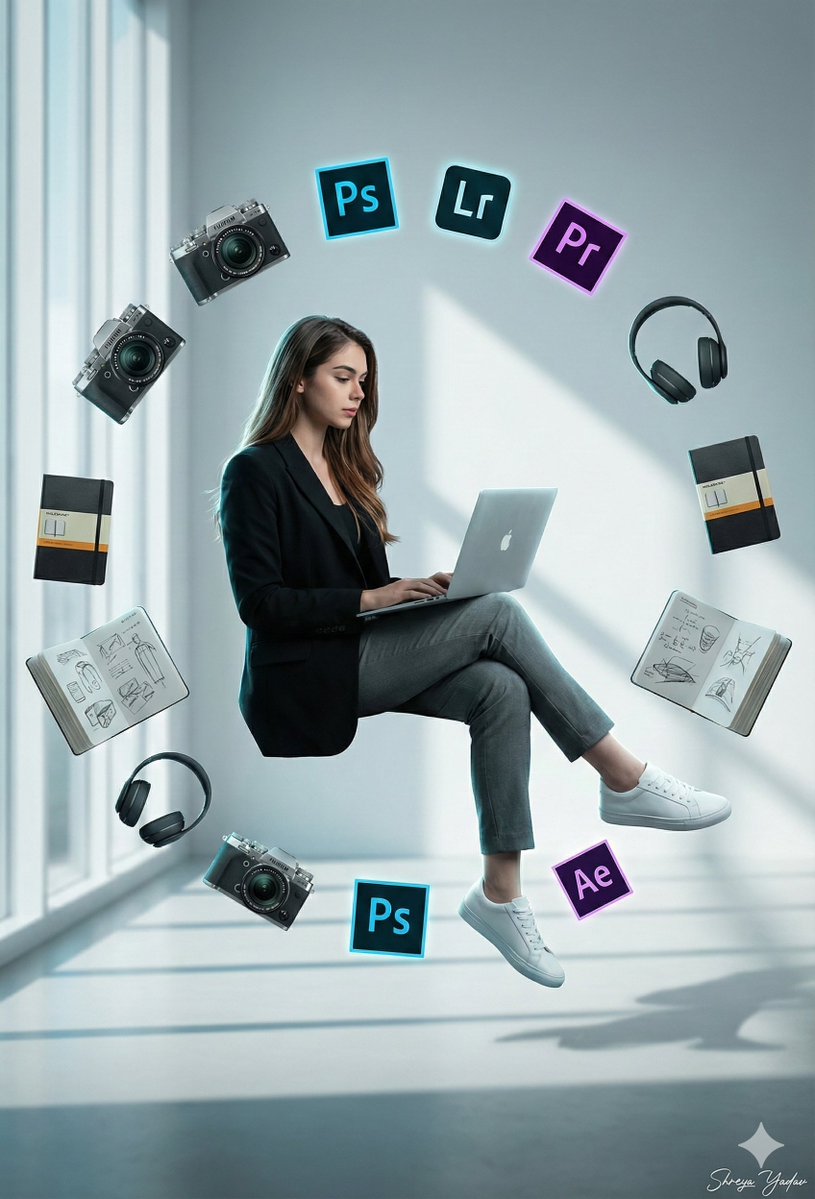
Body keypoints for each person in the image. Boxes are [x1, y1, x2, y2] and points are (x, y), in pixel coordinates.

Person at [217, 315, 731, 988]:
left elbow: (363, 591)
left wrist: (418, 596)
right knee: (498, 612)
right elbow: (260, 604)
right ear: (297, 379)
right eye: (342, 377)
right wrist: (375, 599)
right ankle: (622, 776)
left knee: (499, 687)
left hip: (354, 649)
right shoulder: (254, 470)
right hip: (302, 676)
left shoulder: (346, 468)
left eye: (363, 380)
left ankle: (499, 894)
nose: (357, 393)